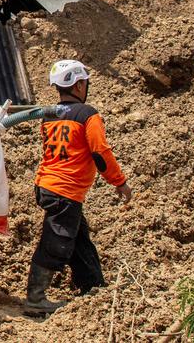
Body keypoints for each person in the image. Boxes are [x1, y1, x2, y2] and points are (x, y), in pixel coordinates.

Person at [24, 60, 133, 315]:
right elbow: (100, 152)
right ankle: (35, 299)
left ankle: (93, 286)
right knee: (57, 242)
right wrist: (119, 182)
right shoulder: (87, 114)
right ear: (80, 84)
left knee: (78, 238)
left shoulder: (50, 115)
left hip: (48, 185)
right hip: (65, 190)